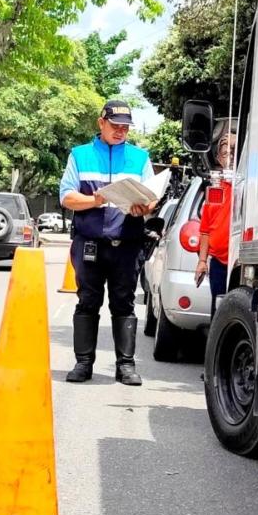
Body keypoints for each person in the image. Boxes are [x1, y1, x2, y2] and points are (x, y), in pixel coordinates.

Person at [59, 99, 157, 386]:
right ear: (101, 123)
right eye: (115, 126)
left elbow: (152, 196)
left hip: (127, 244)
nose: (120, 132)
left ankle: (126, 366)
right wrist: (95, 199)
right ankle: (83, 364)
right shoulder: (80, 155)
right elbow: (66, 196)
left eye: (125, 128)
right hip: (90, 243)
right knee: (87, 302)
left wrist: (147, 206)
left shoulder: (140, 157)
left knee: (124, 304)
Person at [194, 130, 234, 310]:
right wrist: (202, 261)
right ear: (219, 159)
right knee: (218, 310)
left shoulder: (251, 186)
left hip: (240, 263)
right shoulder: (216, 191)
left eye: (234, 151)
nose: (230, 157)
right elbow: (205, 230)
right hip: (218, 263)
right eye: (225, 153)